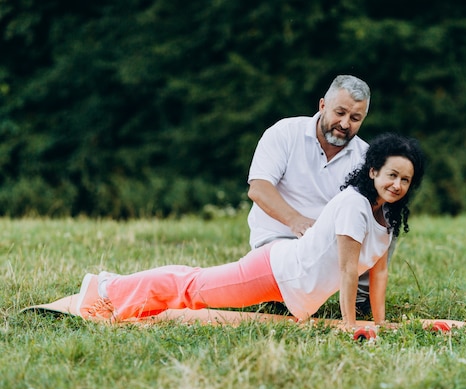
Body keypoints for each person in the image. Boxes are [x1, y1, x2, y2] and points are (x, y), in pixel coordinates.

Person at [75, 133, 425, 330]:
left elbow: (378, 274)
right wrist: (351, 325)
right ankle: (107, 287)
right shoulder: (355, 205)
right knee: (193, 288)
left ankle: (116, 287)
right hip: (279, 271)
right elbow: (349, 270)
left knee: (195, 284)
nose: (396, 184)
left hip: (295, 286)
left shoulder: (389, 218)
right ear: (374, 171)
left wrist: (379, 323)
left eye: (405, 180)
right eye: (391, 175)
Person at [247, 74, 376, 316]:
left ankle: (360, 300)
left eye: (355, 118)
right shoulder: (285, 132)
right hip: (278, 241)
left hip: (328, 248)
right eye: (340, 113)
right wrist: (296, 221)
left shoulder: (366, 157)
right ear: (322, 105)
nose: (345, 124)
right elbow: (259, 188)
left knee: (384, 220)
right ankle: (275, 296)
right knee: (283, 276)